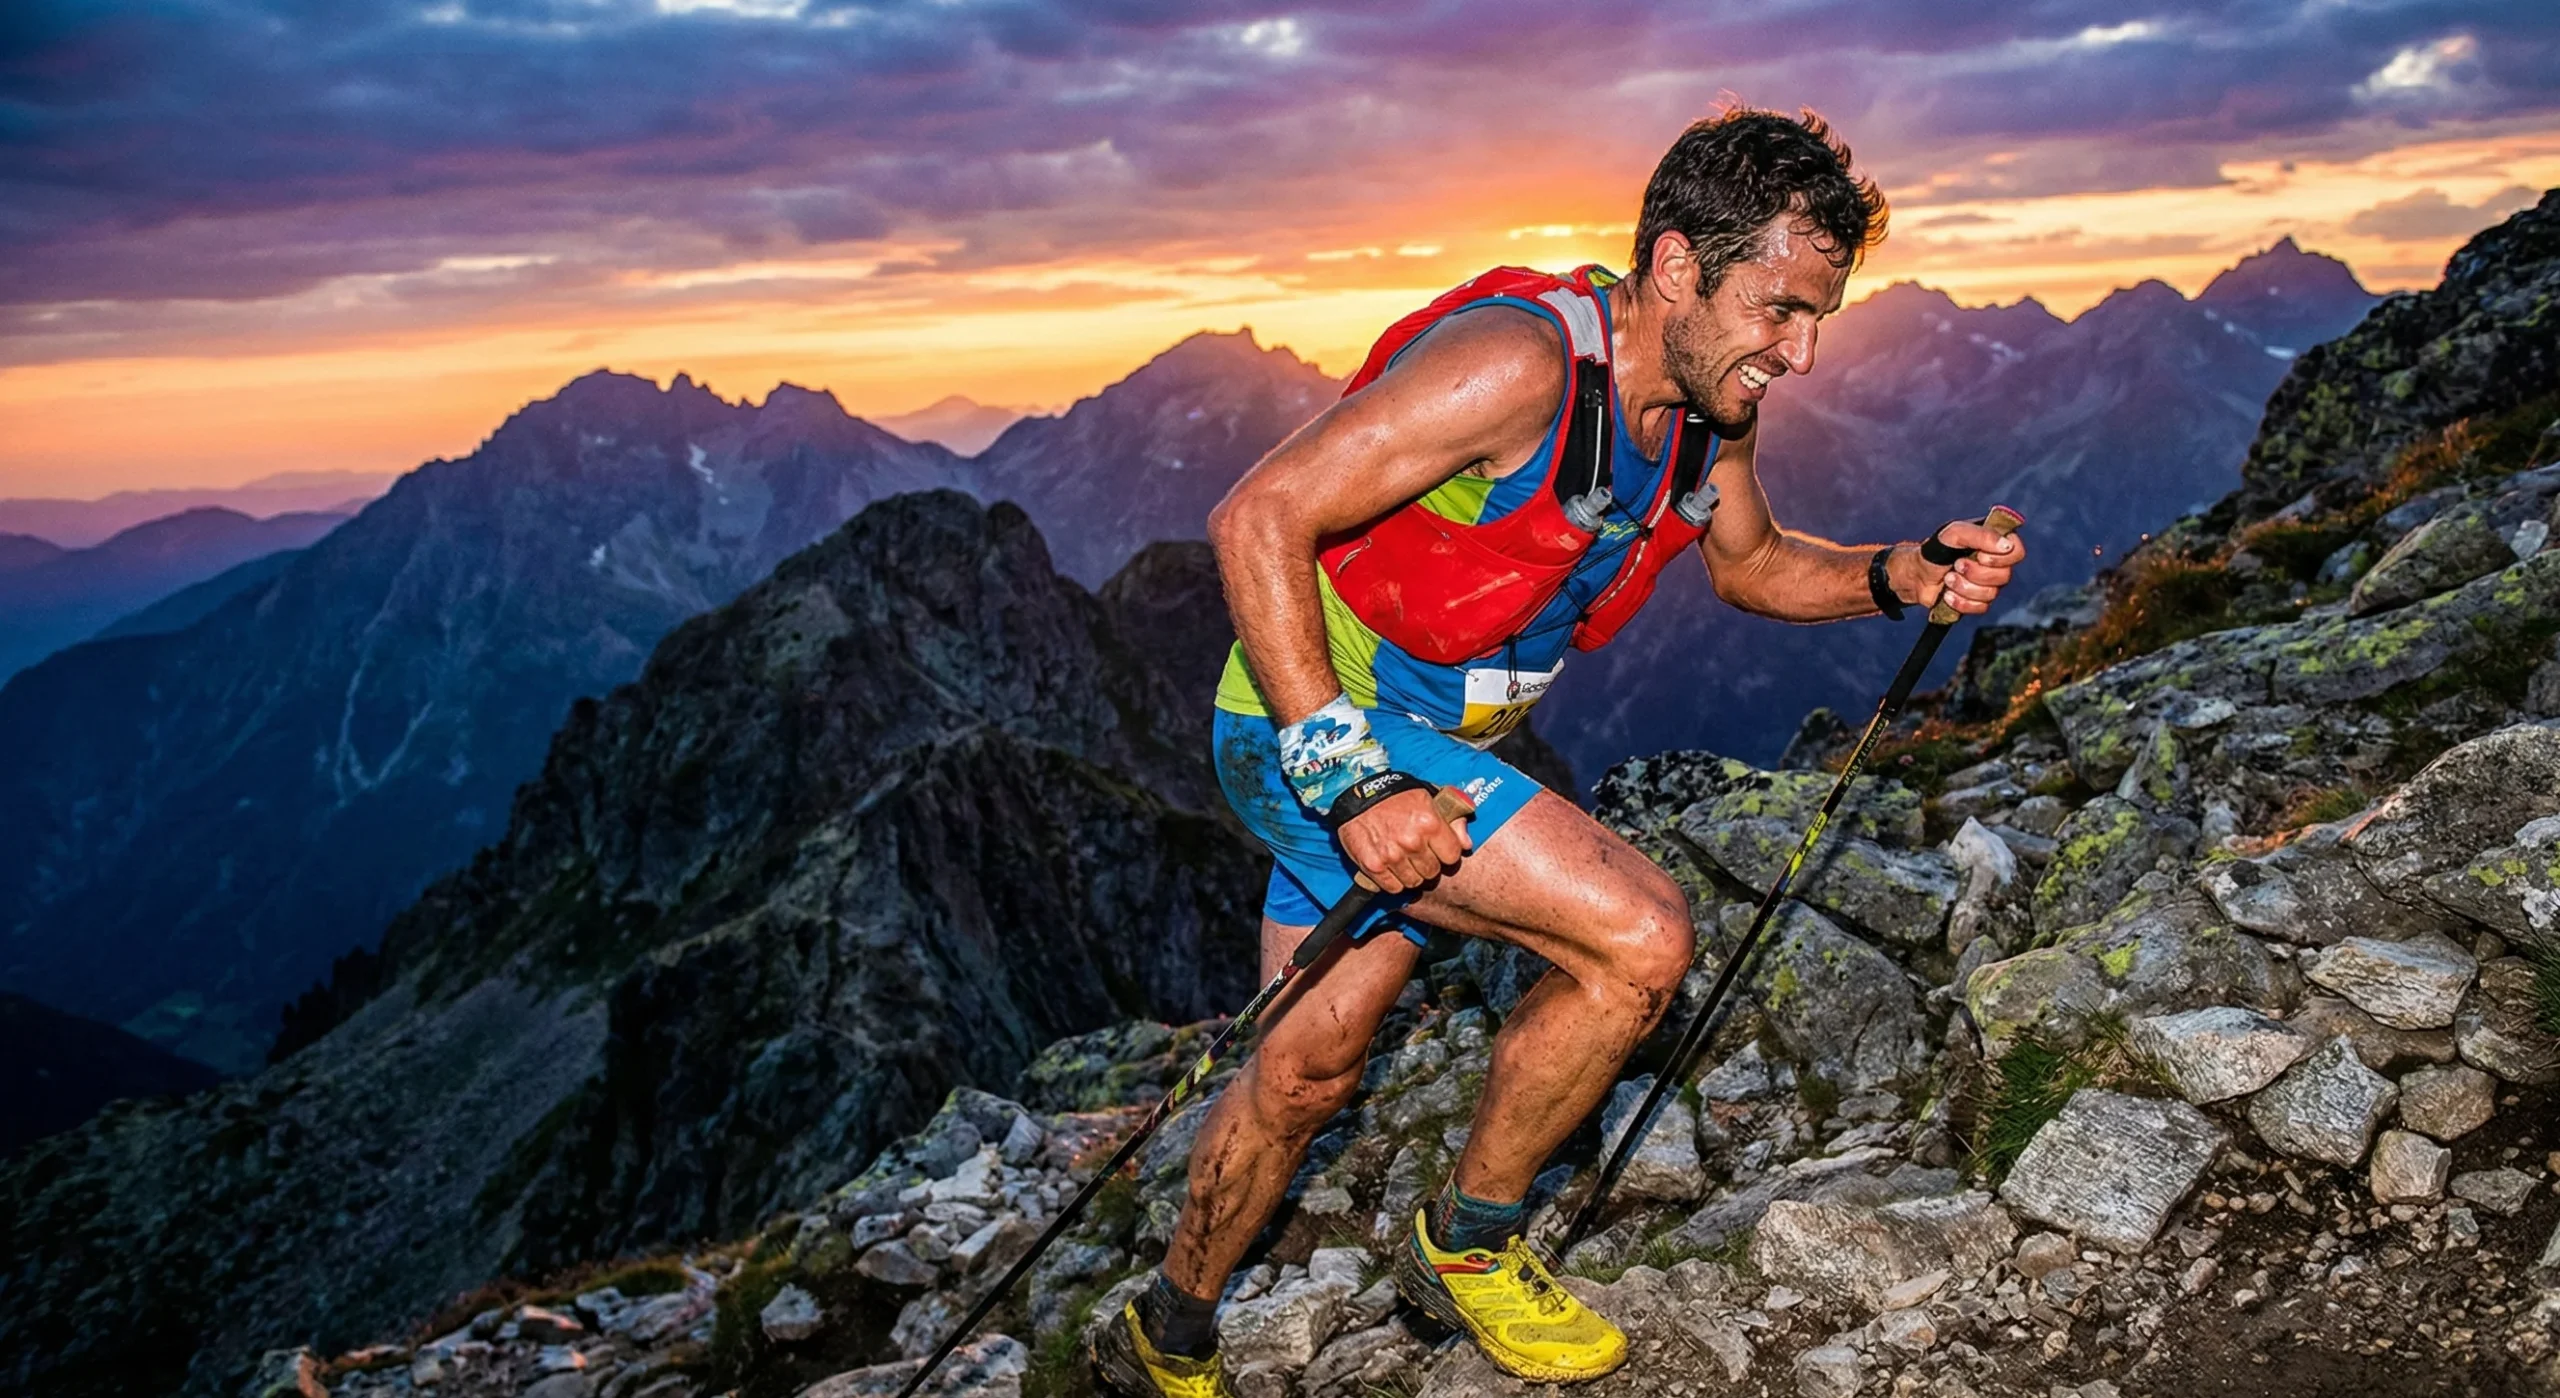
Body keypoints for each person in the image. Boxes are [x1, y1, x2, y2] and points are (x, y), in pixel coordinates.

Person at [1090, 107, 2027, 1396]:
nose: (1800, 353)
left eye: (1821, 318)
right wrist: (1348, 778)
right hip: (1312, 728)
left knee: (1309, 1069)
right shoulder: (1518, 367)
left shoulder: (1705, 409)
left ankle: (1164, 1334)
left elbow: (1752, 567)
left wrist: (1899, 573)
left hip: (1413, 744)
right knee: (1641, 936)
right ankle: (1467, 1248)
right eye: (1781, 308)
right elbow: (1258, 515)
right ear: (1682, 265)